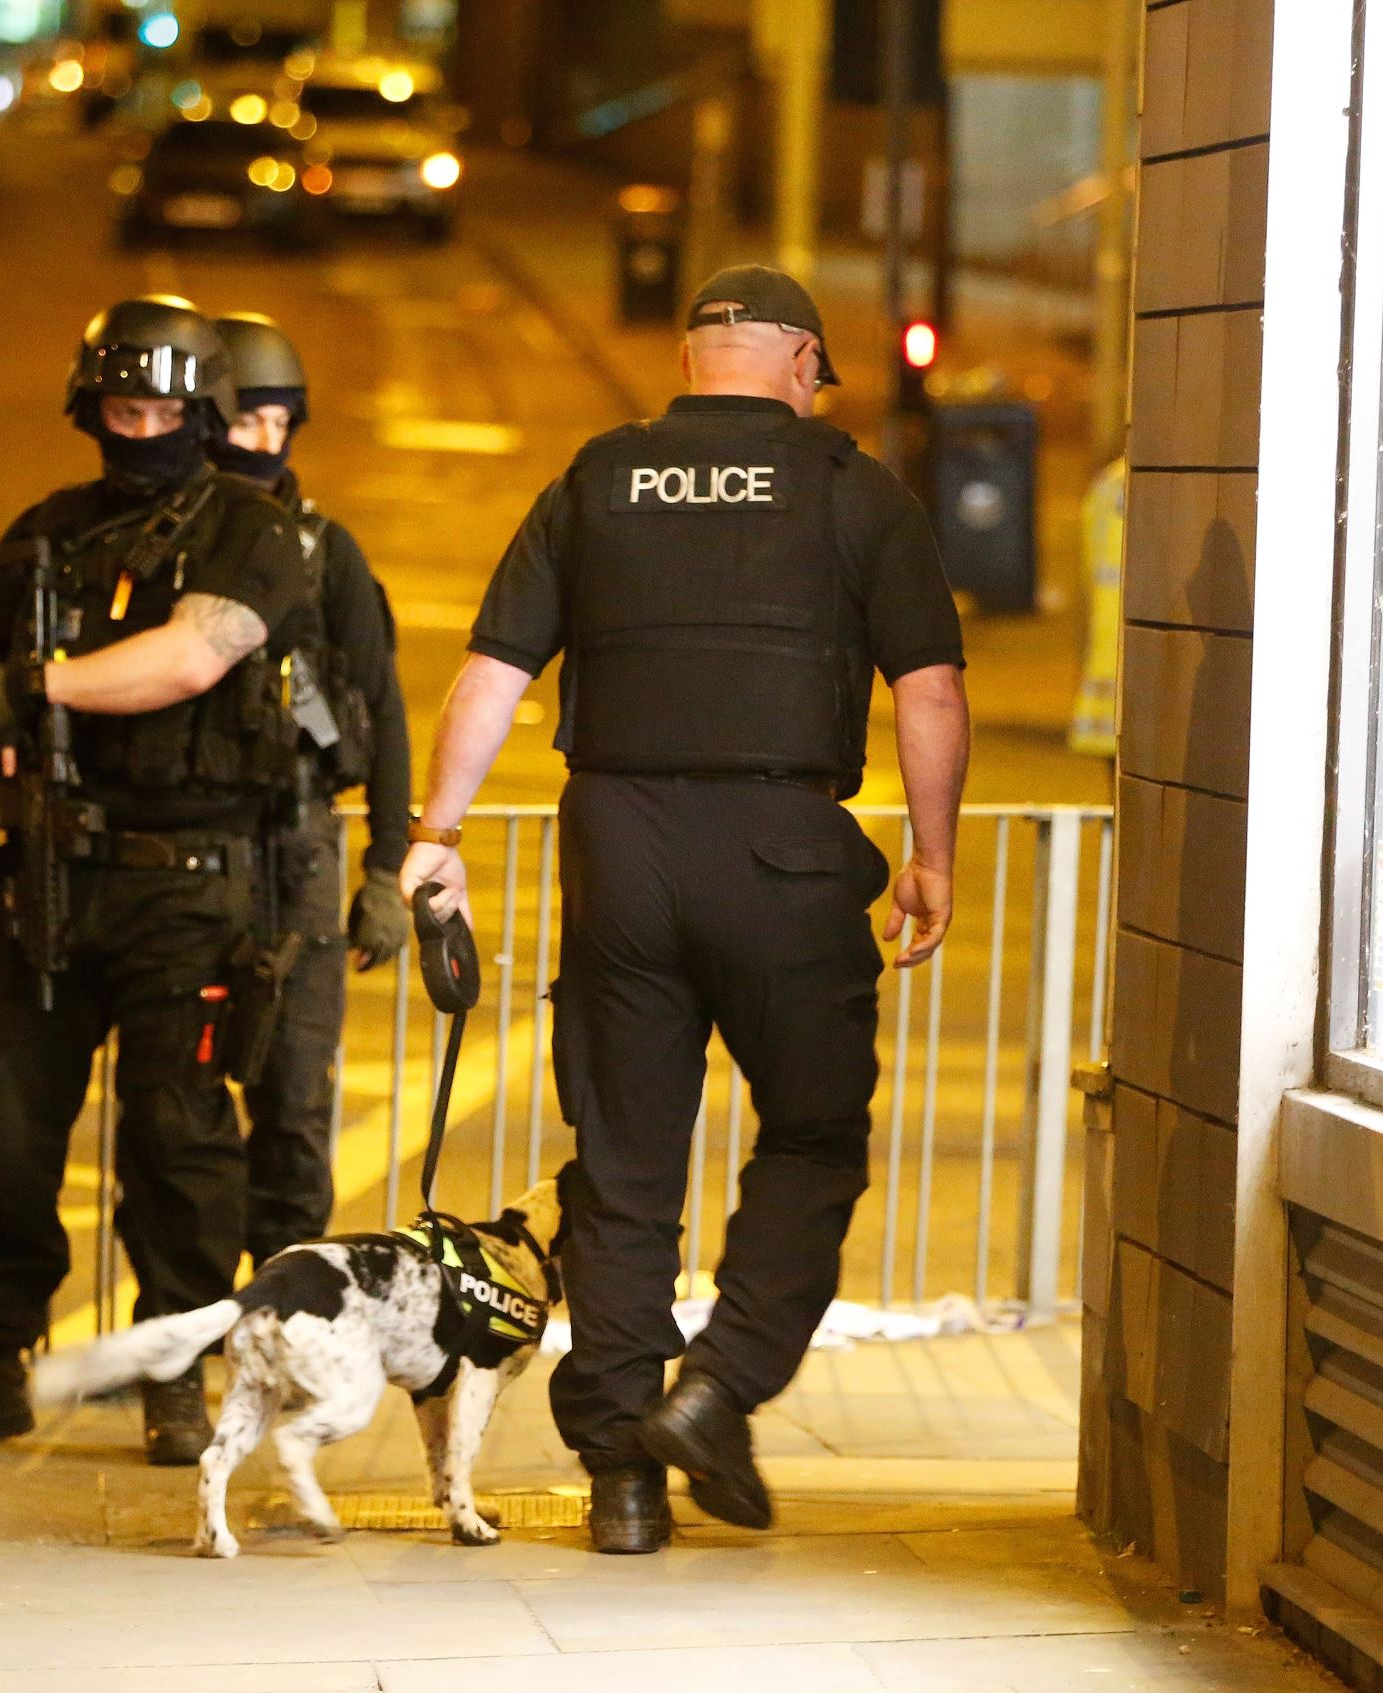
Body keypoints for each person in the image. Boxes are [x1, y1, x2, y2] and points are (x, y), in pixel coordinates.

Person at [397, 266, 971, 1554]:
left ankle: (620, 1482)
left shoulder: (599, 477)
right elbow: (927, 691)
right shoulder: (851, 490)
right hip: (781, 848)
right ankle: (716, 1388)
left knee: (622, 1164)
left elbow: (490, 671)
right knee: (813, 1137)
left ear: (686, 358)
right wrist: (930, 855)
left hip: (619, 848)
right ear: (802, 363)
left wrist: (436, 835)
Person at [0, 297, 314, 1456]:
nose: (146, 427)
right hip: (47, 873)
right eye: (125, 406)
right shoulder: (43, 533)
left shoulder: (249, 530)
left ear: (207, 409)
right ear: (90, 407)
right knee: (2, 1132)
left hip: (192, 884)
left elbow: (192, 655)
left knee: (178, 1142)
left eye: (169, 407)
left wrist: (39, 687)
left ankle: (170, 1371)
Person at [205, 311, 413, 1264]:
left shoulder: (328, 554)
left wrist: (386, 868)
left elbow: (385, 710)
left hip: (298, 850)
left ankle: (285, 1316)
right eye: (247, 422)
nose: (264, 445)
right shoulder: (177, 546)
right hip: (193, 853)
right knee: (184, 1109)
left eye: (281, 426)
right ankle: (181, 1323)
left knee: (294, 1099)